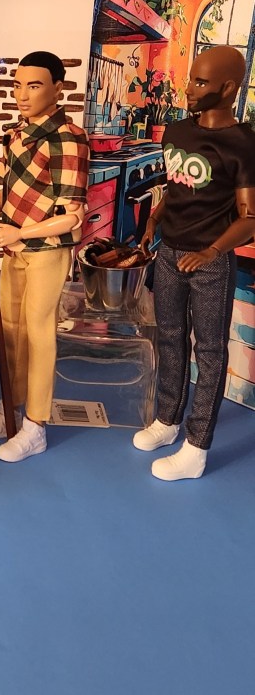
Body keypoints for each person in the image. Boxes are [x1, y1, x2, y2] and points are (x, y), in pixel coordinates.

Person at [133, 46, 255, 481]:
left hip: (210, 262)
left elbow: (249, 218)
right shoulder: (178, 131)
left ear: (228, 88)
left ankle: (197, 445)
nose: (190, 89)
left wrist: (212, 252)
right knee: (169, 338)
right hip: (169, 252)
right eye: (191, 79)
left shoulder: (243, 143)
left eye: (201, 82)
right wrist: (154, 219)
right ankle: (168, 420)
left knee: (210, 351)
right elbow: (177, 186)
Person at [0, 51, 89, 462]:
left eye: (34, 85)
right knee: (11, 331)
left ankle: (36, 425)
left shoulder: (68, 138)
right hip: (13, 248)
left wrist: (19, 232)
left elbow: (73, 216)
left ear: (58, 88)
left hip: (47, 251)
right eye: (17, 85)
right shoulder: (15, 135)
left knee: (38, 335)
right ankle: (10, 409)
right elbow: (7, 189)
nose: (22, 95)